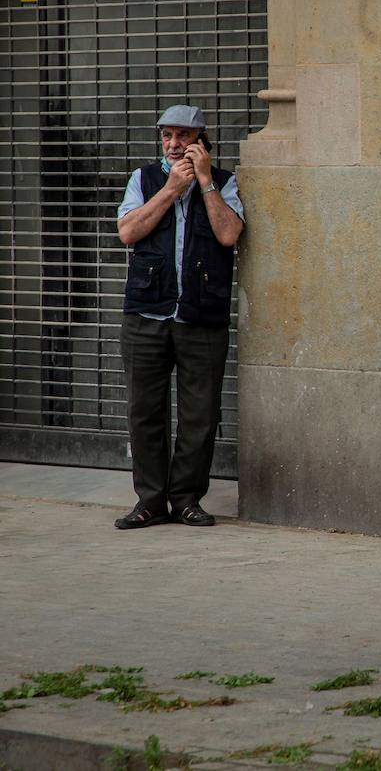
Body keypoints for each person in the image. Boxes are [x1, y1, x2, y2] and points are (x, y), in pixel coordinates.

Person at [113, 104, 245, 530]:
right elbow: (128, 232)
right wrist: (170, 189)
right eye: (167, 136)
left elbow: (228, 234)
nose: (174, 144)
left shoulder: (224, 182)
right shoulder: (144, 179)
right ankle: (150, 501)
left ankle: (186, 498)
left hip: (201, 315)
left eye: (184, 137)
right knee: (145, 411)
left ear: (202, 141)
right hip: (146, 313)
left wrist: (204, 182)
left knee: (200, 415)